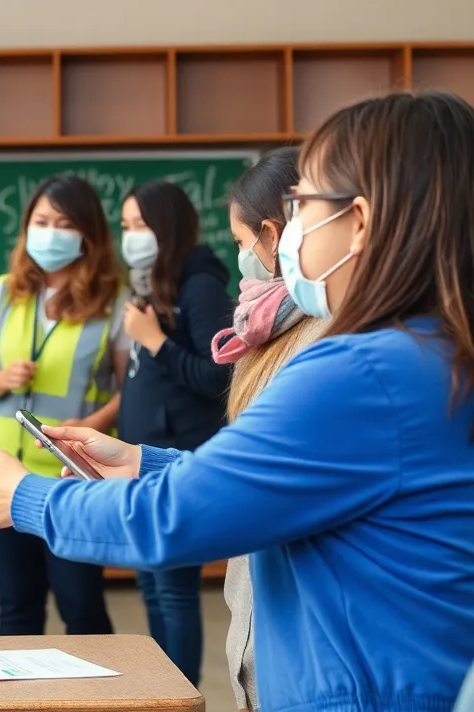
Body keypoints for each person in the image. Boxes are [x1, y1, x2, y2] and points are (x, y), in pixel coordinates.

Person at [0, 91, 474, 712]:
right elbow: (274, 479)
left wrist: (23, 497)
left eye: (302, 203)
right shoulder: (429, 350)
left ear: (362, 221)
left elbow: (174, 520)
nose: (289, 229)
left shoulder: (364, 370)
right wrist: (143, 463)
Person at [0, 174, 126, 637]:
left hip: (72, 471)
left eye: (64, 223)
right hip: (4, 471)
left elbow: (130, 386)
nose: (50, 233)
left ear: (88, 234)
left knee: (81, 603)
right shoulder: (3, 291)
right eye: (41, 221)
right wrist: (3, 378)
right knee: (17, 603)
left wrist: (91, 425)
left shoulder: (114, 301)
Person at [212, 147, 326, 712]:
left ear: (273, 233)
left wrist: (34, 500)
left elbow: (255, 482)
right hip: (259, 619)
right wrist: (141, 463)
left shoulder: (324, 337)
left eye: (239, 243)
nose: (240, 259)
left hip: (297, 642)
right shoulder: (268, 326)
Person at [114, 179, 231, 685]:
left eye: (141, 225)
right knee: (150, 583)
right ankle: (163, 685)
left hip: (176, 455)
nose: (132, 236)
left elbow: (218, 375)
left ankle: (180, 691)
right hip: (138, 456)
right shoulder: (149, 281)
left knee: (174, 587)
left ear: (168, 227)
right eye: (125, 226)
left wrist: (156, 341)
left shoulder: (199, 285)